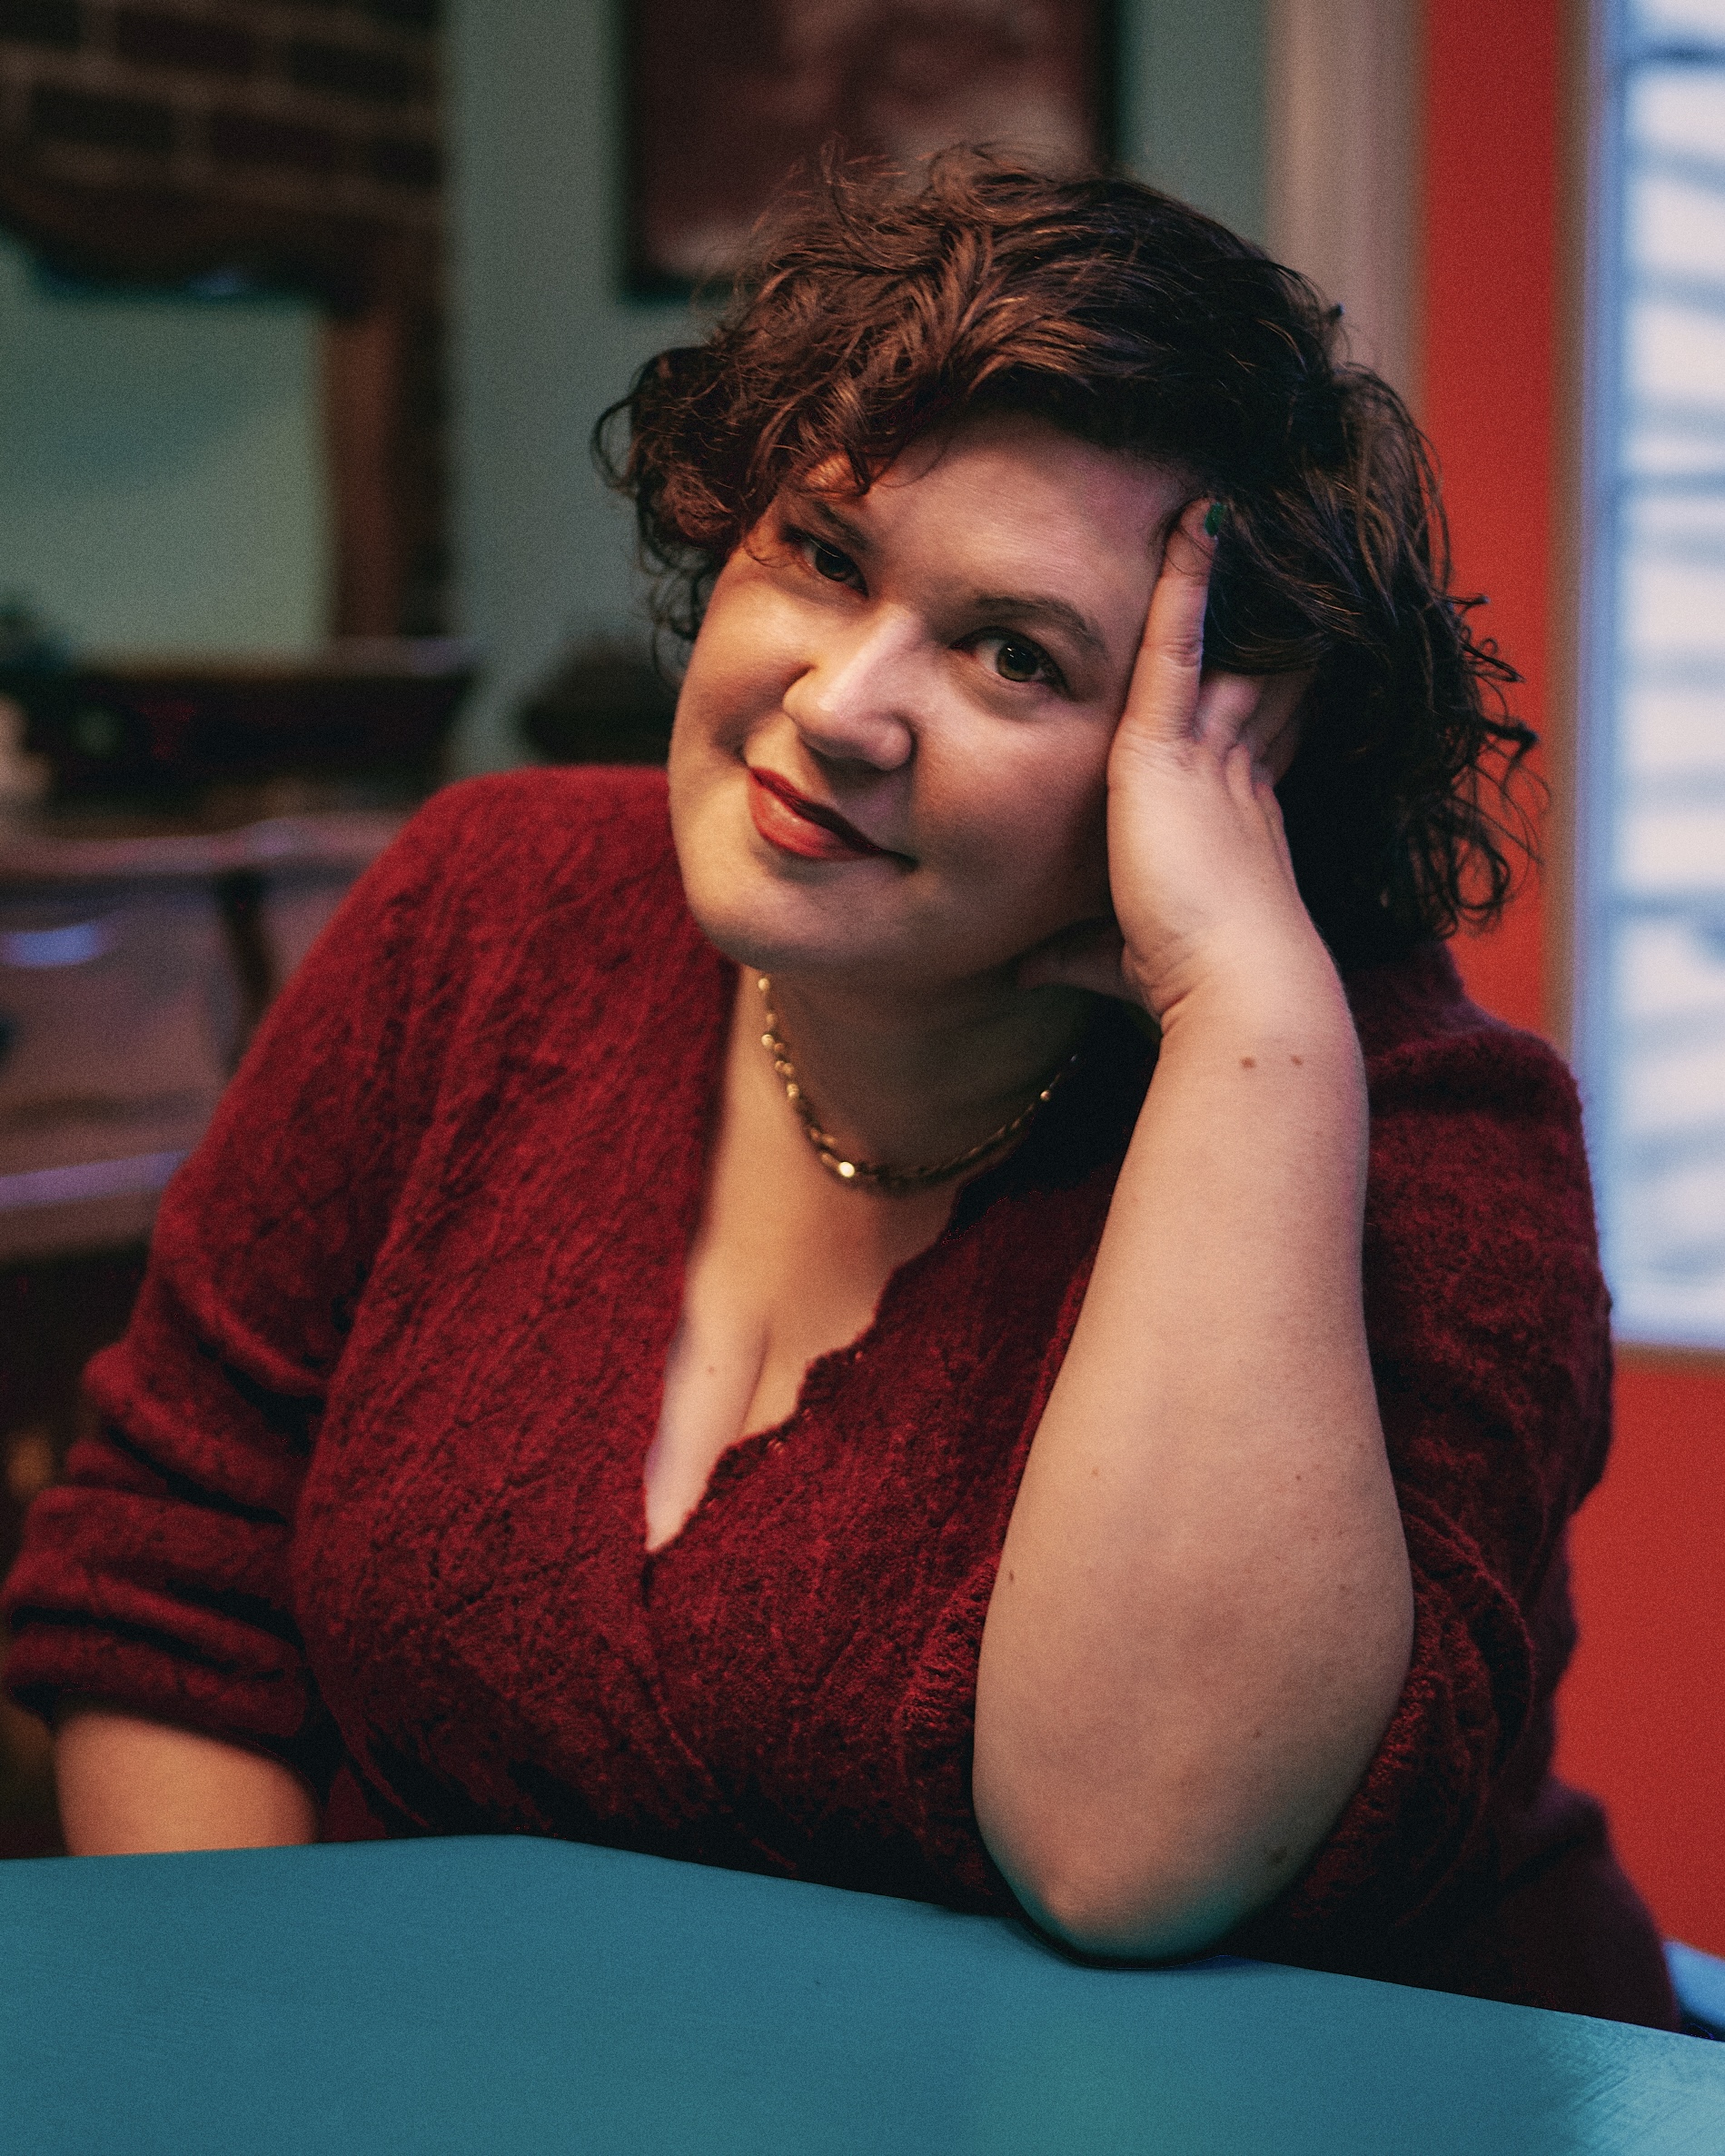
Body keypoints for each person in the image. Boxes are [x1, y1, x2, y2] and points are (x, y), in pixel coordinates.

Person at [2, 155, 1677, 2027]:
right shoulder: (481, 912)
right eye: (821, 553)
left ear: (1217, 771)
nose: (840, 703)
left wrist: (1240, 1023)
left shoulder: (1427, 1136)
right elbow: (175, 1588)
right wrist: (257, 2056)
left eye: (1010, 655)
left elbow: (1132, 1853)